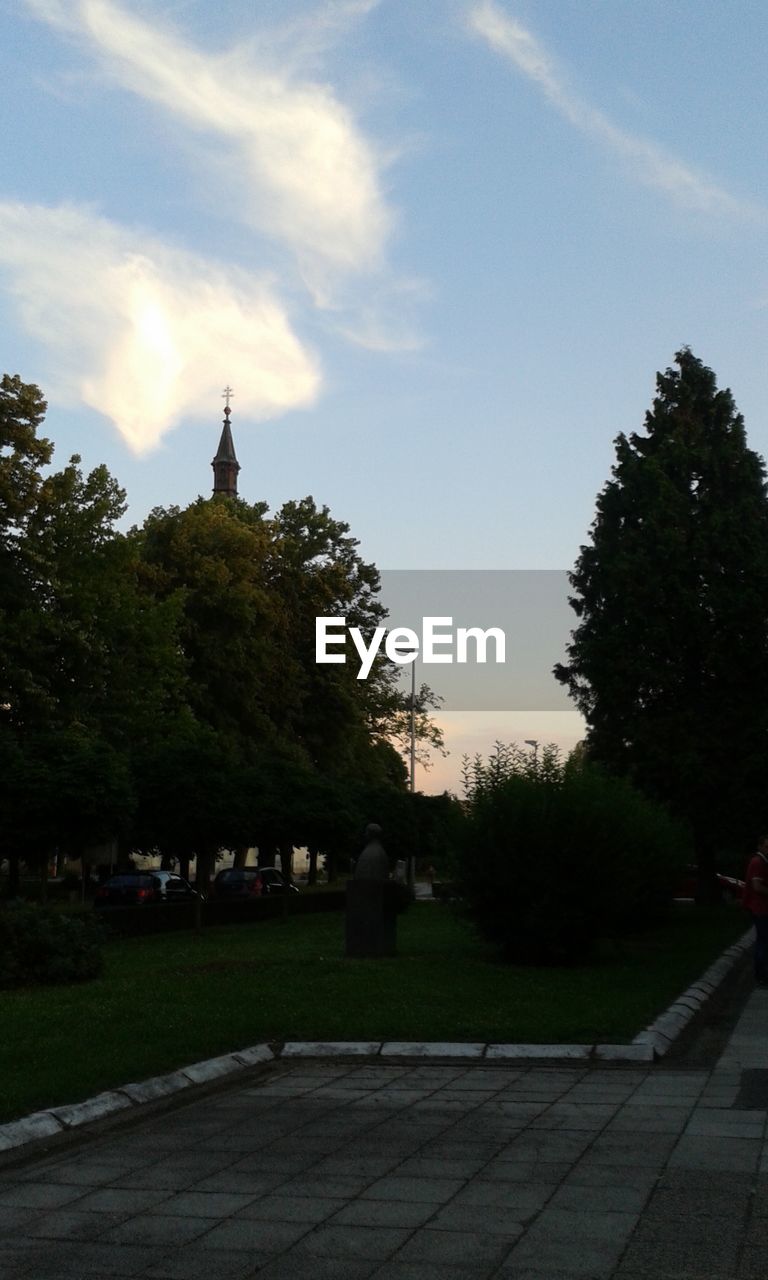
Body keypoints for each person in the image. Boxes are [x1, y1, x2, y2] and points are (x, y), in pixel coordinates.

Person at [742, 834, 768, 986]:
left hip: (761, 908)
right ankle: (761, 975)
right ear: (760, 847)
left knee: (763, 940)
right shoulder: (758, 862)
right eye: (767, 846)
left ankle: (761, 973)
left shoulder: (762, 861)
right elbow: (757, 886)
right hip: (760, 908)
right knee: (763, 941)